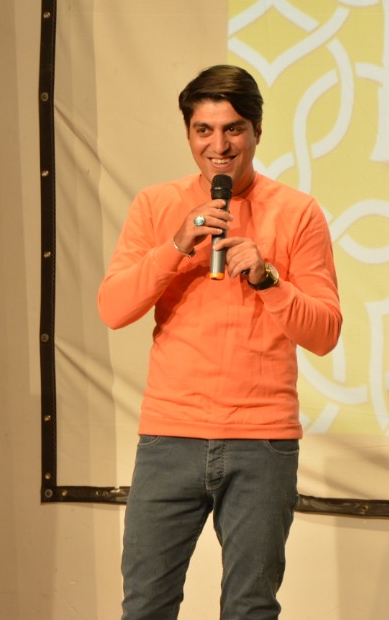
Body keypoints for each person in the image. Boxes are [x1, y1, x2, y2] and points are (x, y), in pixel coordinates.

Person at [97, 64, 342, 619]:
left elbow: (325, 333)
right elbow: (113, 309)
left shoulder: (297, 212)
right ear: (188, 134)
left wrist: (268, 278)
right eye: (203, 130)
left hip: (262, 442)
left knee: (250, 608)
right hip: (169, 436)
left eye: (233, 129)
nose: (219, 145)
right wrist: (177, 244)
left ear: (256, 132)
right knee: (146, 606)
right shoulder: (156, 205)